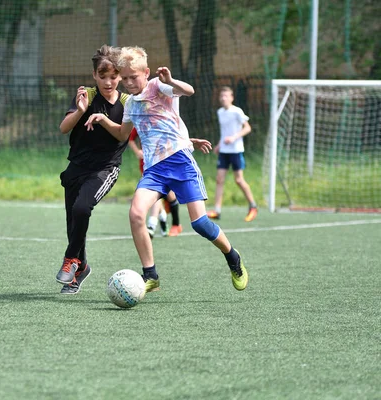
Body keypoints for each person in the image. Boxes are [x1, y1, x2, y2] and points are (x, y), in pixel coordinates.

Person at [85, 46, 248, 293]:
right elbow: (121, 133)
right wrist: (103, 118)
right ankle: (150, 275)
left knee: (200, 224)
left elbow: (189, 91)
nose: (128, 82)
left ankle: (233, 257)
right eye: (124, 78)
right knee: (137, 214)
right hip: (154, 170)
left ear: (146, 72)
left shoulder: (157, 86)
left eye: (133, 77)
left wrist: (170, 80)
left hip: (180, 163)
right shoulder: (130, 104)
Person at [55, 45, 129, 295]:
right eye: (103, 76)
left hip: (105, 169)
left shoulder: (127, 103)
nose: (108, 82)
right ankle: (81, 267)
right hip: (76, 168)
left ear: (120, 76)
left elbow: (125, 134)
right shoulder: (85, 95)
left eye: (114, 76)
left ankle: (70, 260)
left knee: (82, 207)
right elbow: (64, 128)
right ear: (94, 75)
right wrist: (80, 111)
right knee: (74, 225)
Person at [206, 86, 258, 222]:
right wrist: (219, 145)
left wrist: (234, 138)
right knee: (219, 179)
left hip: (236, 150)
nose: (223, 98)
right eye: (221, 96)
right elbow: (224, 132)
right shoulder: (220, 112)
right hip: (224, 151)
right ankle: (217, 210)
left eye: (226, 96)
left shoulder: (237, 112)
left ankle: (253, 206)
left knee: (239, 180)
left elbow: (247, 128)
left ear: (231, 98)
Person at [127, 127, 183, 238]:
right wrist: (137, 151)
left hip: (164, 160)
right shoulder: (140, 121)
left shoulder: (162, 121)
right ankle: (155, 224)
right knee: (155, 191)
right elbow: (130, 138)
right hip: (147, 162)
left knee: (169, 195)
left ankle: (174, 224)